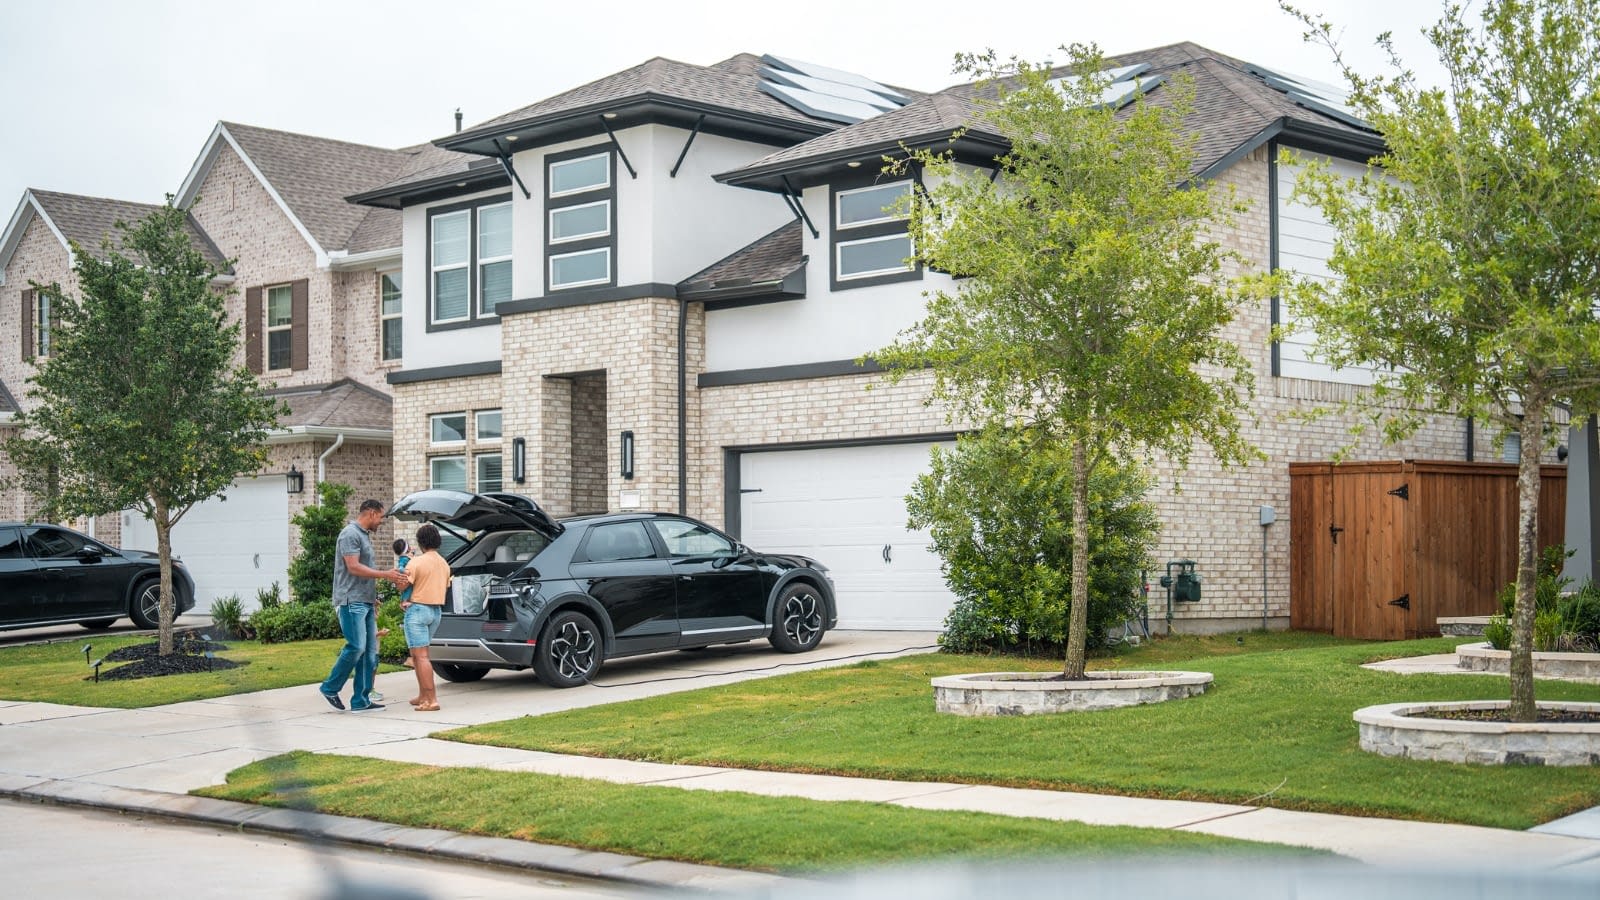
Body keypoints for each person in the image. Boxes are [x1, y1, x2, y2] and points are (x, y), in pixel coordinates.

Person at [319, 499, 408, 712]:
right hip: (351, 600)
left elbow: (363, 570)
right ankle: (330, 687)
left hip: (365, 600)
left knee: (369, 653)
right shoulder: (350, 534)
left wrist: (373, 595)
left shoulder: (363, 536)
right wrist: (385, 574)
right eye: (380, 517)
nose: (381, 522)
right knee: (356, 646)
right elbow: (353, 567)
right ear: (370, 513)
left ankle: (361, 700)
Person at [401, 522, 450, 711]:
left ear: (420, 542)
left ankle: (431, 699)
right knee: (419, 654)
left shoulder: (416, 562)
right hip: (435, 612)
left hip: (418, 611)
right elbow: (444, 586)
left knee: (420, 657)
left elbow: (403, 585)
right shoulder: (444, 563)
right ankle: (423, 695)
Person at [392, 537, 416, 669]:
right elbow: (400, 568)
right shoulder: (404, 560)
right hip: (408, 591)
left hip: (408, 588)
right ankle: (405, 602)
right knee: (406, 595)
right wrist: (406, 571)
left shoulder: (407, 558)